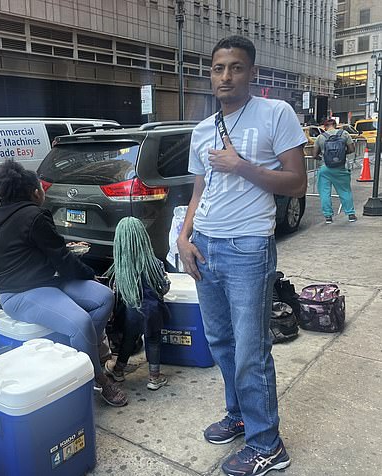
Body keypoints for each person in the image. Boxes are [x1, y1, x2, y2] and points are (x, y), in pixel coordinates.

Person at [177, 35, 307, 476]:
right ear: (210, 74)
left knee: (252, 350)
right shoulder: (202, 128)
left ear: (252, 72)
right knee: (221, 342)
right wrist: (183, 236)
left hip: (248, 247)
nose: (226, 76)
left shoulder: (276, 114)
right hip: (206, 247)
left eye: (235, 67)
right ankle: (238, 414)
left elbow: (297, 184)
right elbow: (199, 190)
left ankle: (268, 444)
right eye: (218, 68)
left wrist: (244, 167)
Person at [0, 159, 128, 407]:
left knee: (104, 297)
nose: (44, 191)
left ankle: (86, 355)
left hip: (46, 281)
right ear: (35, 192)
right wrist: (89, 273)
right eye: (41, 187)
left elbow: (50, 253)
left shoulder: (12, 213)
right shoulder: (33, 215)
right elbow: (63, 260)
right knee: (80, 322)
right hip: (20, 293)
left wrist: (79, 270)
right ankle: (97, 378)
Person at [103, 217, 169, 391]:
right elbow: (163, 287)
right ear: (143, 238)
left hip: (130, 314)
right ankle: (154, 378)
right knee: (153, 340)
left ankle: (118, 370)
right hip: (152, 311)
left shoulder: (120, 268)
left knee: (128, 341)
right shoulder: (155, 264)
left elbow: (116, 292)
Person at [313, 118, 357, 223]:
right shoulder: (344, 134)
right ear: (336, 125)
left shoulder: (320, 137)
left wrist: (322, 158)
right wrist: (341, 156)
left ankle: (328, 216)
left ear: (324, 127)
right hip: (341, 168)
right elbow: (352, 149)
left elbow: (314, 154)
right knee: (345, 191)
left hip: (325, 168)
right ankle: (350, 214)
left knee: (324, 192)